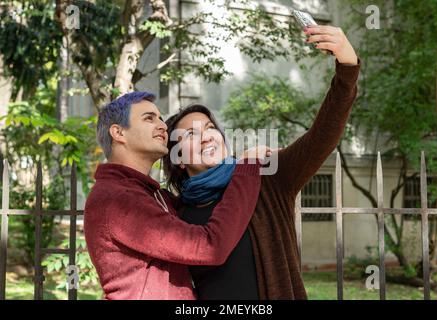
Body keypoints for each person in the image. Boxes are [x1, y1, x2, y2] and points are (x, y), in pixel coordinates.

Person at [162, 25, 361, 299]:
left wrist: (347, 67)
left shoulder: (267, 179)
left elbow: (321, 136)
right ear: (179, 159)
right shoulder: (178, 212)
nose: (207, 137)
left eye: (210, 128)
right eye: (191, 135)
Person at [84, 91, 265, 299]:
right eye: (149, 118)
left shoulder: (152, 195)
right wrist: (247, 167)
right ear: (118, 133)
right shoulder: (116, 199)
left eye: (160, 118)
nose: (162, 126)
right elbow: (210, 247)